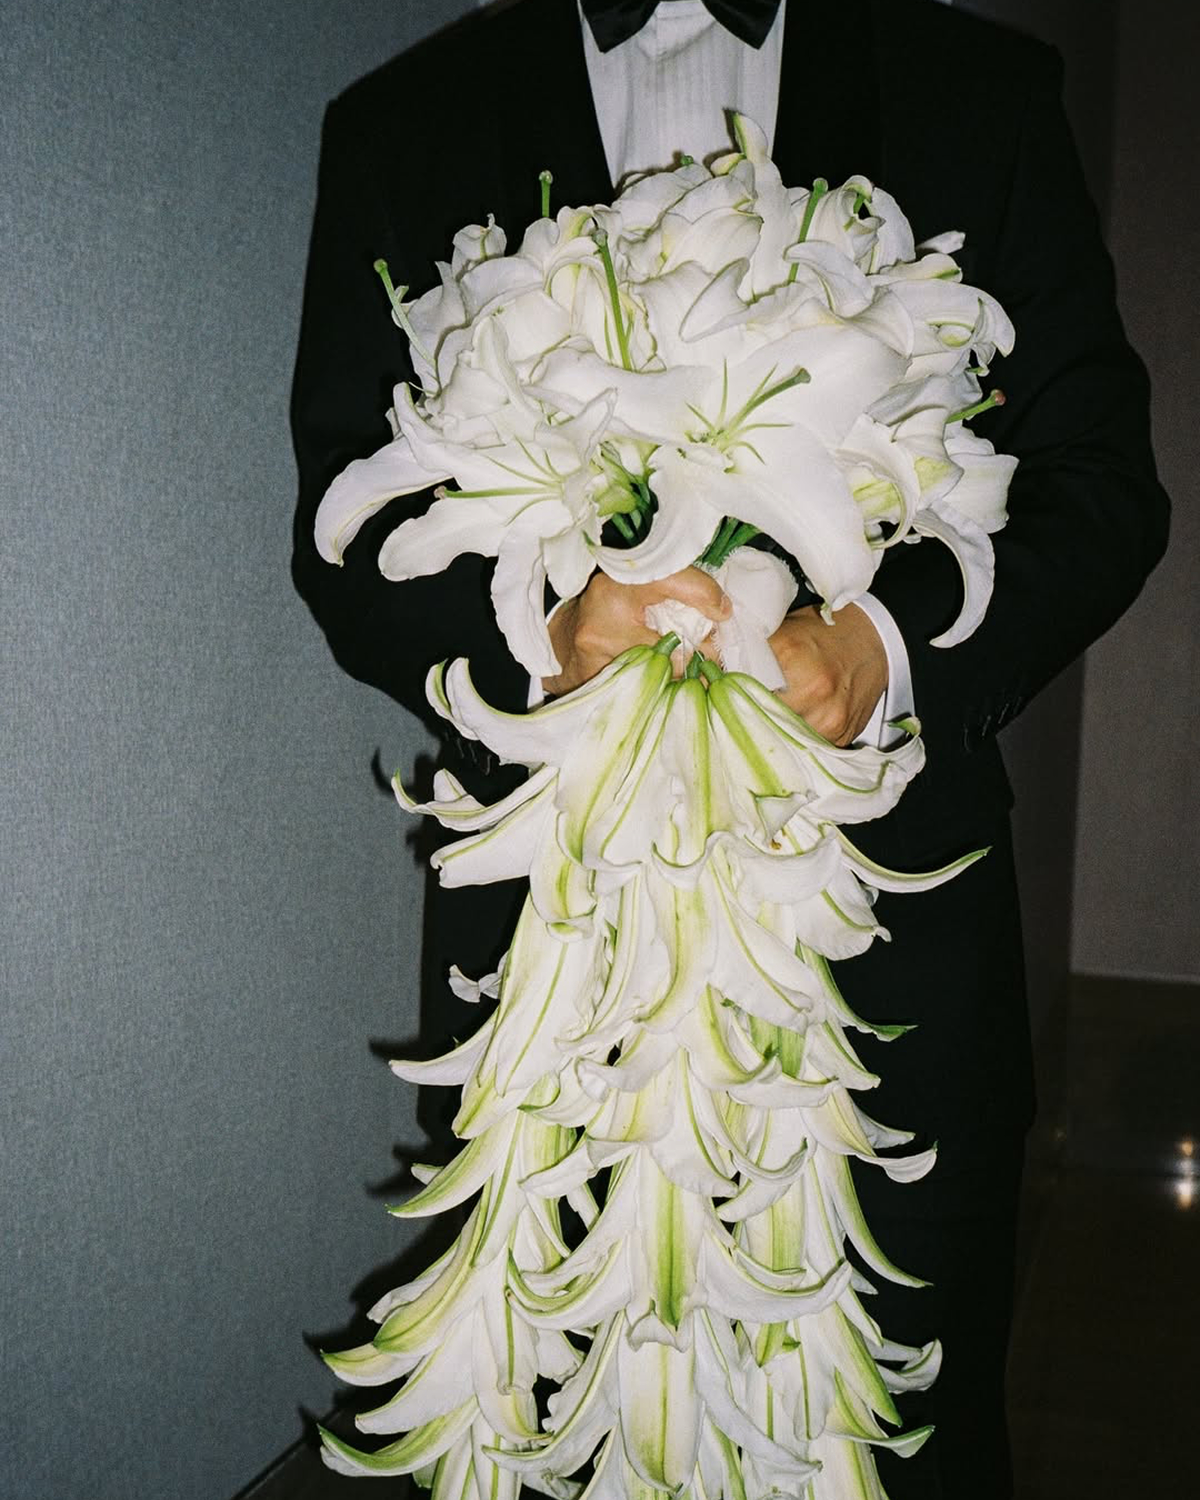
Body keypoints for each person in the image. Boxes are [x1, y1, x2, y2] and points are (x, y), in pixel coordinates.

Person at [290, 3, 1170, 1495]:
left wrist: (879, 645)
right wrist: (545, 636)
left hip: (892, 946)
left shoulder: (980, 92)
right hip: (556, 956)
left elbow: (1100, 488)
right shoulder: (402, 125)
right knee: (552, 1415)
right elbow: (347, 533)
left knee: (897, 1432)